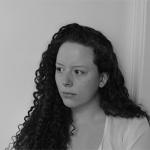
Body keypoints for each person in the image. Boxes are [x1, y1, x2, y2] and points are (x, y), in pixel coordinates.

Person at [8, 23, 150, 150]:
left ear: (102, 79)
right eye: (60, 69)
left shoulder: (132, 128)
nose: (66, 81)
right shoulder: (40, 126)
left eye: (78, 72)